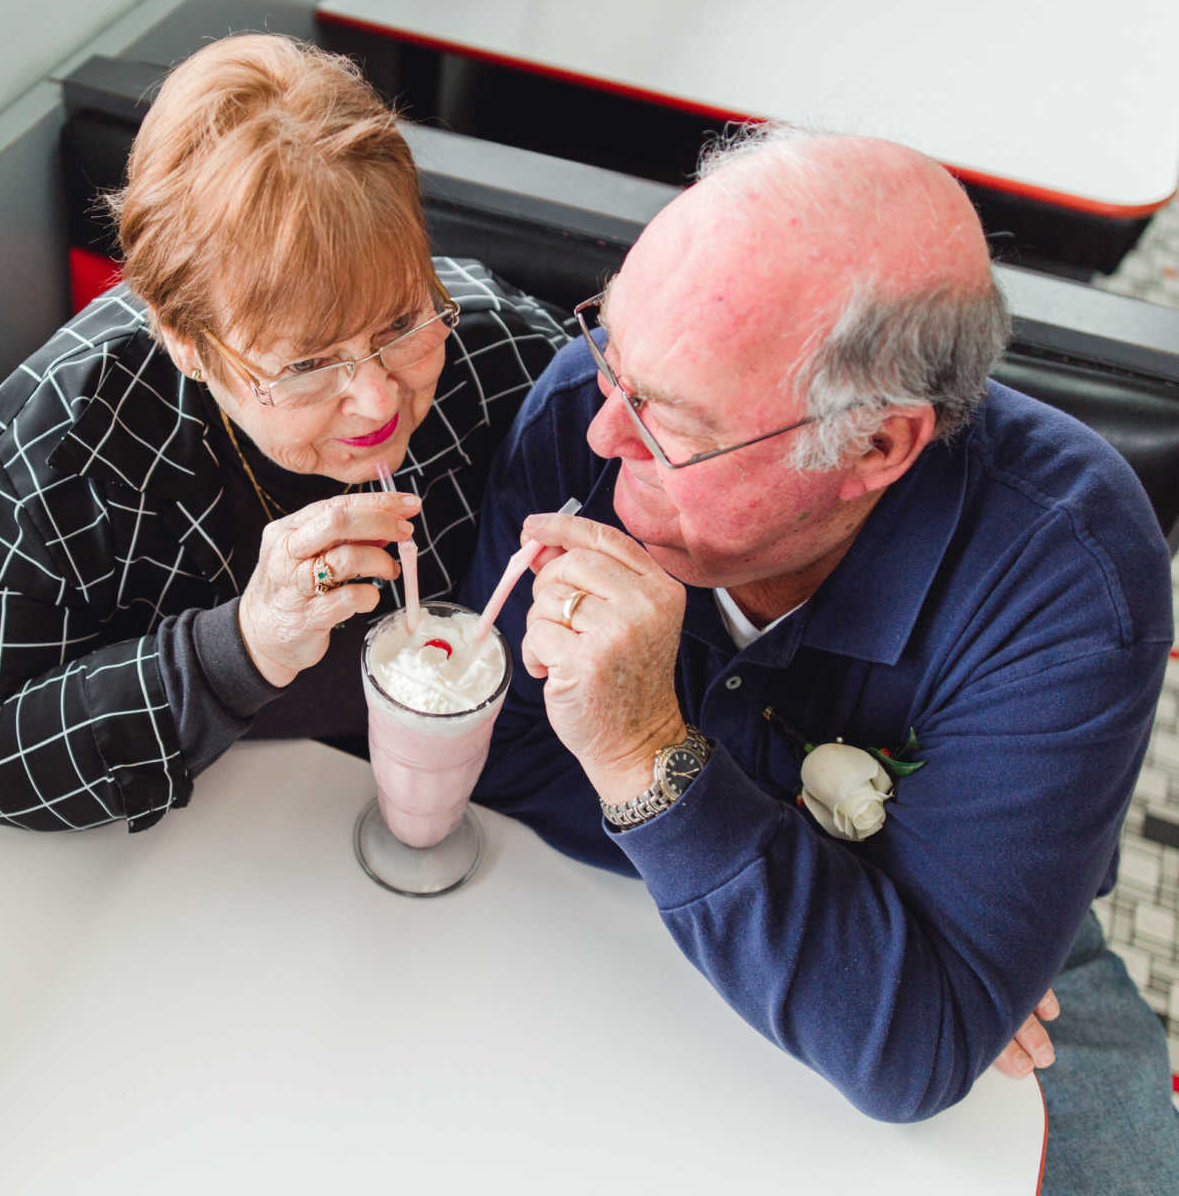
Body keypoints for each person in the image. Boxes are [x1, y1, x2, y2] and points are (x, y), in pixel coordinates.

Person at [461, 125, 1178, 1189]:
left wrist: (644, 758)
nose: (606, 435)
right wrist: (863, 937)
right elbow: (506, 756)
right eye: (609, 345)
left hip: (1009, 920)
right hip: (659, 898)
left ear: (876, 447)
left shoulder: (1073, 574)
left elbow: (915, 1052)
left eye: (671, 424)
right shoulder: (587, 404)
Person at [0, 34, 567, 831]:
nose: (375, 402)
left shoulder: (506, 354)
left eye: (400, 319)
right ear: (186, 343)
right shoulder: (62, 450)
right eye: (308, 363)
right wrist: (238, 647)